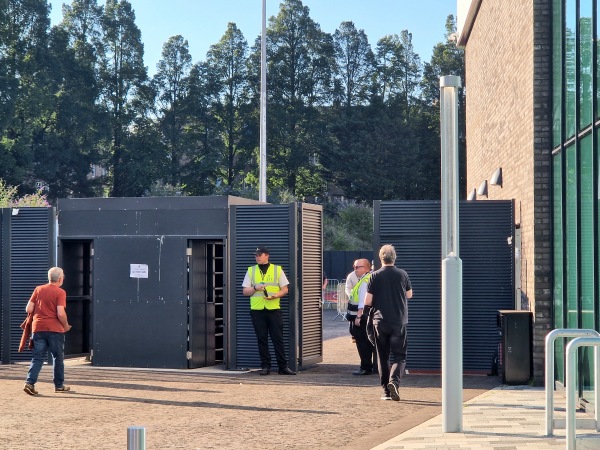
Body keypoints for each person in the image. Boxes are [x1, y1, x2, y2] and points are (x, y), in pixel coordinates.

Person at [364, 244, 413, 401]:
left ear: (380, 258)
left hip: (380, 322)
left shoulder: (374, 276)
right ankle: (394, 382)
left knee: (383, 357)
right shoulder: (402, 274)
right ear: (394, 257)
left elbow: (368, 301)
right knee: (400, 356)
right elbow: (409, 294)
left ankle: (386, 392)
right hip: (398, 321)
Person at [242, 246, 296, 376]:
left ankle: (283, 367)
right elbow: (245, 291)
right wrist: (255, 287)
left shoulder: (277, 270)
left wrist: (276, 296)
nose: (257, 257)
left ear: (267, 255)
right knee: (262, 339)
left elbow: (285, 289)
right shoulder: (251, 270)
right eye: (256, 255)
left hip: (273, 309)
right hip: (257, 310)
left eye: (260, 254)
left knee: (278, 339)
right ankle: (265, 366)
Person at [23, 266, 72, 395]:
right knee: (58, 357)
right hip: (55, 329)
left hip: (38, 328)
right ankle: (59, 385)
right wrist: (66, 325)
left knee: (37, 358)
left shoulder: (38, 289)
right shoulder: (60, 292)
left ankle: (30, 383)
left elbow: (28, 309)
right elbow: (60, 313)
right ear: (60, 279)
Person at [347, 259, 376, 375]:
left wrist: (358, 316)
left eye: (357, 267)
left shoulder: (364, 281)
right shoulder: (368, 278)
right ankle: (368, 366)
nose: (355, 269)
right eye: (354, 266)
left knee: (362, 342)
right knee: (367, 342)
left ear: (365, 268)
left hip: (361, 318)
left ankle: (365, 367)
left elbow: (363, 302)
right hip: (365, 317)